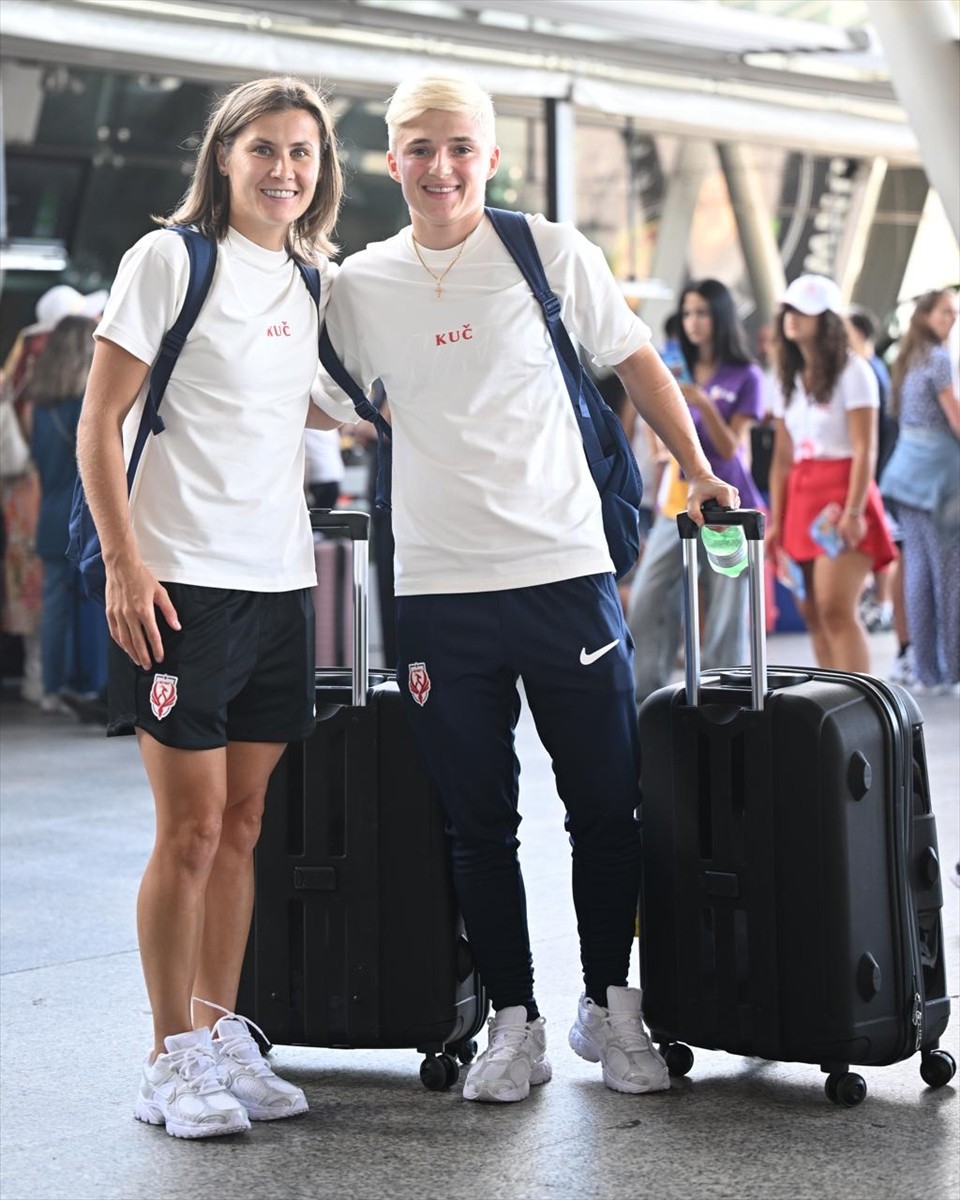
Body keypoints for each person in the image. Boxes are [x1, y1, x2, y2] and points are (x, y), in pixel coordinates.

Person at [313, 71, 738, 1105]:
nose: (441, 167)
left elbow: (637, 361)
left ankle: (609, 1000)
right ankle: (514, 1018)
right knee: (475, 822)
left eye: (460, 146)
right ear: (391, 160)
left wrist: (700, 466)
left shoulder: (548, 251)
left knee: (606, 805)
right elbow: (322, 399)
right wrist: (386, 419)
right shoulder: (358, 286)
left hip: (564, 573)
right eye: (420, 148)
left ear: (490, 155)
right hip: (436, 591)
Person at [75, 75, 343, 1139]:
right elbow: (100, 423)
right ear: (224, 156)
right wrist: (122, 562)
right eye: (265, 149)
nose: (285, 170)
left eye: (304, 154)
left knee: (242, 825)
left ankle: (221, 1033)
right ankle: (166, 1059)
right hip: (179, 583)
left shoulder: (307, 283)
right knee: (186, 831)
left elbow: (315, 402)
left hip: (280, 584)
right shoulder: (169, 260)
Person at [626, 279, 765, 702]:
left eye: (702, 312)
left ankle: (732, 700)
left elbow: (731, 448)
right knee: (647, 599)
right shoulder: (670, 364)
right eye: (687, 312)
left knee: (725, 613)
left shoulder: (746, 375)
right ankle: (648, 700)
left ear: (720, 316)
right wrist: (659, 449)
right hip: (676, 505)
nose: (693, 322)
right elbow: (650, 423)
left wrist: (701, 402)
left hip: (728, 507)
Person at [766, 275, 896, 674]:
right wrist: (777, 519)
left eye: (804, 311)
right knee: (812, 612)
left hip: (842, 496)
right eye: (789, 310)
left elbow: (864, 447)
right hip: (801, 498)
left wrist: (855, 511)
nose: (793, 319)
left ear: (827, 320)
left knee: (835, 608)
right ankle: (832, 704)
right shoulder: (785, 378)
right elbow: (783, 459)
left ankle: (862, 708)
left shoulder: (854, 371)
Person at [26, 314, 109, 715]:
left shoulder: (38, 406)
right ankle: (92, 682)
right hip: (83, 515)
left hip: (49, 512)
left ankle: (52, 685)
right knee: (93, 601)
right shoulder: (87, 405)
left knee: (55, 606)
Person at [878, 289, 960, 695]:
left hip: (906, 476)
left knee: (918, 573)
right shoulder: (941, 359)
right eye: (946, 312)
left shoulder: (908, 359)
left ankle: (927, 670)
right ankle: (954, 671)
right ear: (926, 315)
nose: (953, 319)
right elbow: (956, 419)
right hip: (940, 481)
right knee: (950, 576)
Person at [846, 305, 899, 636]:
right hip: (878, 470)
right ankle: (880, 602)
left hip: (878, 470)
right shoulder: (870, 368)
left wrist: (871, 477)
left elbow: (877, 434)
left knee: (882, 540)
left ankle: (882, 603)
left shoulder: (867, 371)